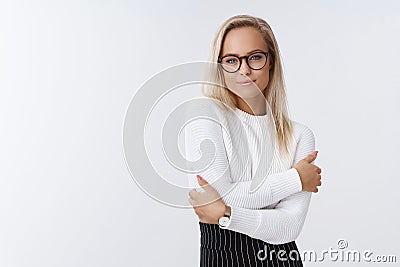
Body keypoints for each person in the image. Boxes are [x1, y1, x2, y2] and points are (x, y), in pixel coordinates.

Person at [184, 14, 322, 267]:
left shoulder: (300, 135)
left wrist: (226, 215)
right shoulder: (204, 114)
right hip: (222, 258)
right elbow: (220, 194)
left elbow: (288, 228)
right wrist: (296, 179)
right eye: (232, 60)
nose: (244, 69)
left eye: (255, 57)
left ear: (271, 62)